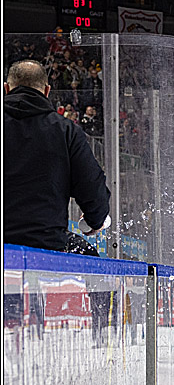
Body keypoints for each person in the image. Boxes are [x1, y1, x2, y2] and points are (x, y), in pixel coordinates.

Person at [4, 60, 110, 255]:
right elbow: (91, 185)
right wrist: (95, 220)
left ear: (6, 88)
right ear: (46, 90)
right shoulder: (66, 131)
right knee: (89, 258)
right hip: (45, 242)